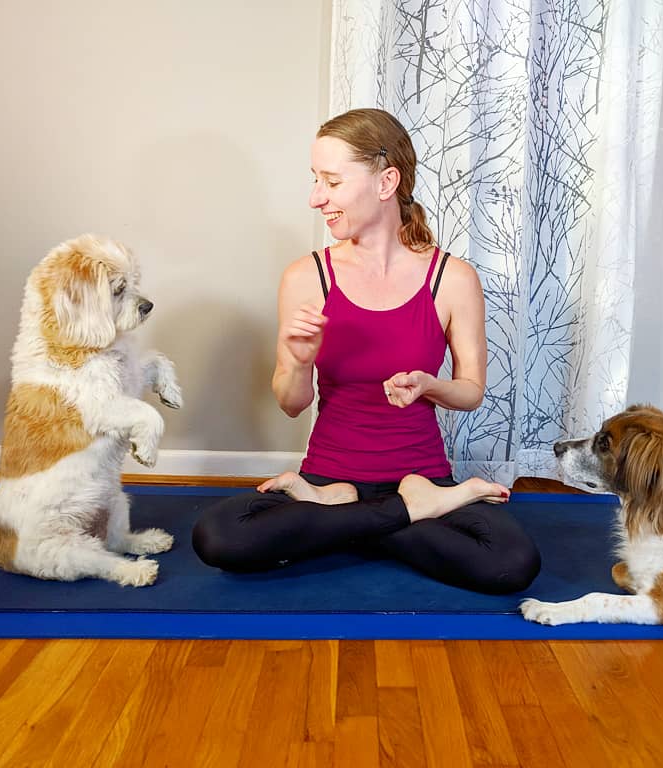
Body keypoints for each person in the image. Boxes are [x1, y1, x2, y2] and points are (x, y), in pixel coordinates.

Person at [191, 108, 540, 594]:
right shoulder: (306, 276)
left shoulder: (453, 279)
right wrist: (298, 359)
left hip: (420, 473)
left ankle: (349, 517)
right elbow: (293, 404)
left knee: (510, 562)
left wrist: (430, 385)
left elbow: (471, 392)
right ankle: (407, 512)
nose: (316, 199)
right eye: (315, 181)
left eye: (331, 182)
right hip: (326, 475)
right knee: (218, 537)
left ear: (385, 182)